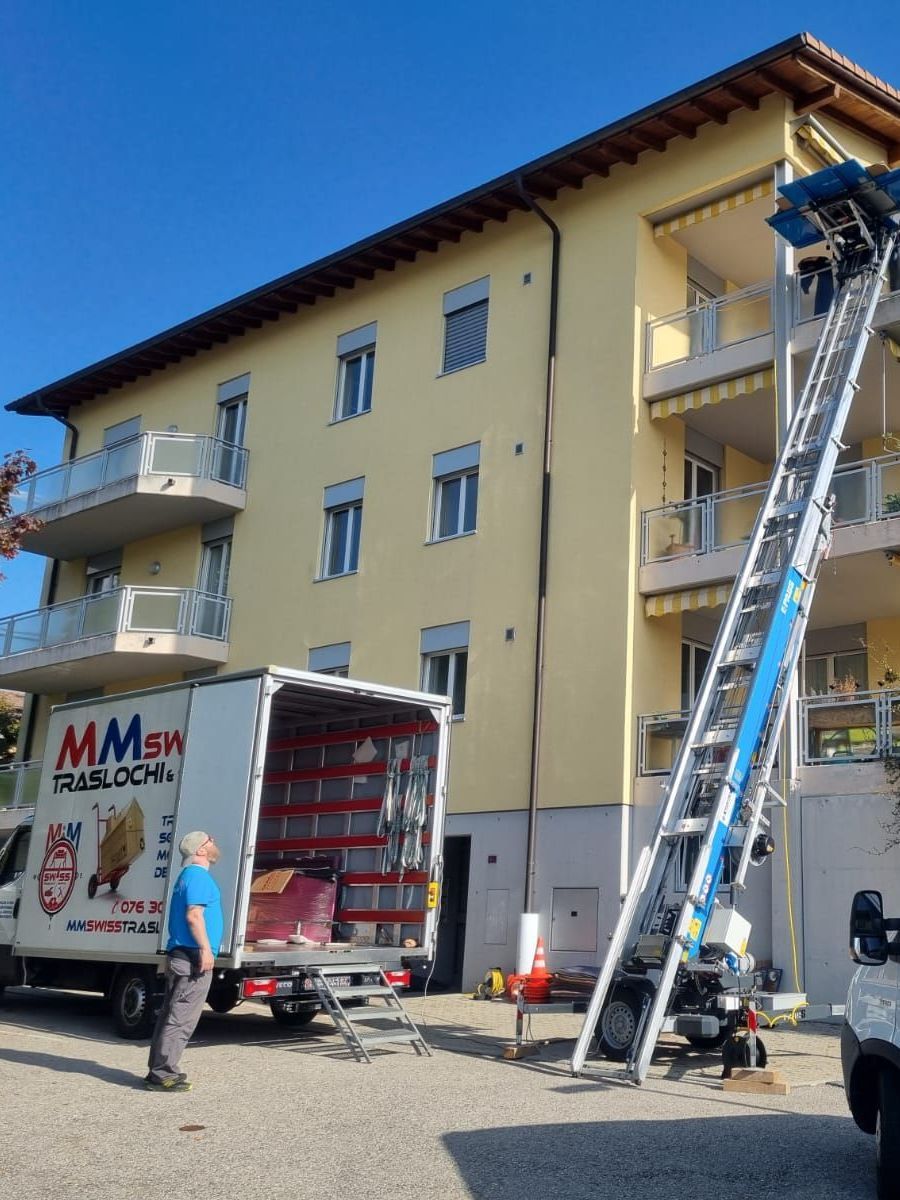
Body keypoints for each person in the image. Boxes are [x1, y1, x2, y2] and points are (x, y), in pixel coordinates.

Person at [145, 831, 222, 1092]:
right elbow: (194, 916)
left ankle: (158, 1070)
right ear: (200, 850)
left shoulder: (188, 876)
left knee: (173, 1014)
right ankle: (163, 1074)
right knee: (181, 1018)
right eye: (210, 840)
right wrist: (206, 949)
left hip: (183, 955)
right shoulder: (198, 876)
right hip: (191, 957)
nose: (214, 843)